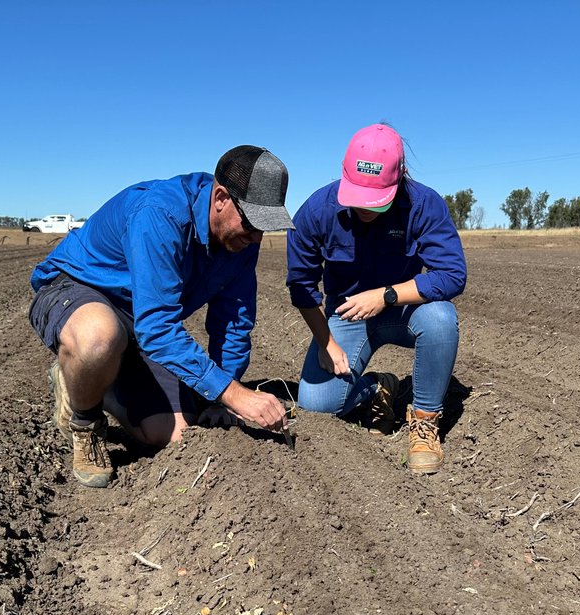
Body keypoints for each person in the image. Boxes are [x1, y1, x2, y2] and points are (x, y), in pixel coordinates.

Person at [29, 146, 294, 487]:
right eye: (252, 223)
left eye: (265, 227)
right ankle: (85, 421)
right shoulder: (160, 214)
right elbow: (157, 327)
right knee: (99, 336)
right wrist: (235, 394)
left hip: (136, 322)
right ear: (221, 198)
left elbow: (234, 319)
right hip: (78, 294)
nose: (256, 237)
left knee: (173, 434)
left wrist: (220, 398)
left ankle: (98, 383)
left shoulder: (240, 238)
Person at [286, 123, 467, 474]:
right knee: (315, 403)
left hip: (403, 310)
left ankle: (425, 423)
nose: (365, 209)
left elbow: (452, 275)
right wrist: (326, 343)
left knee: (442, 319)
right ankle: (379, 388)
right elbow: (301, 286)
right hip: (347, 316)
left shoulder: (424, 204)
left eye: (375, 200)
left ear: (400, 177)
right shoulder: (316, 212)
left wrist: (386, 296)